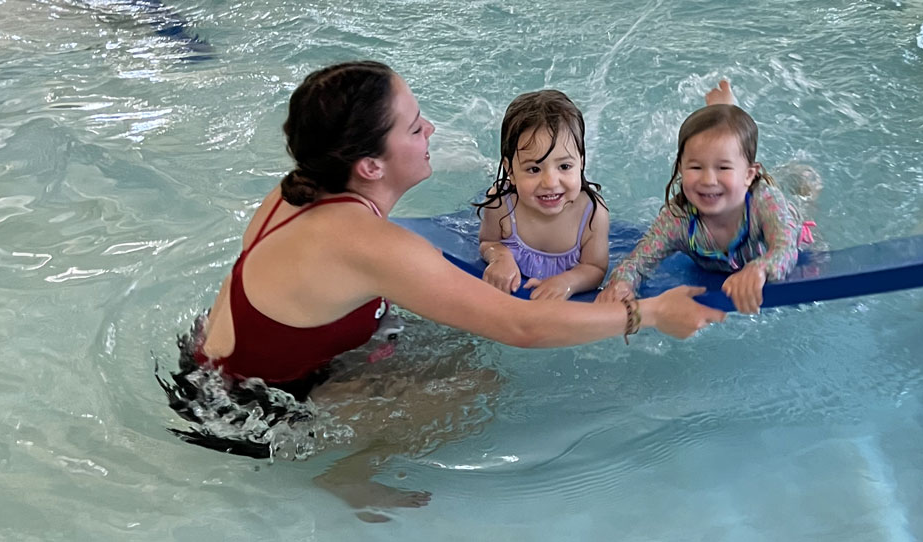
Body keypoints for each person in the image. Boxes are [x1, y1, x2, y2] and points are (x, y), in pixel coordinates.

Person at [174, 59, 723, 429]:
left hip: (205, 364)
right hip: (248, 413)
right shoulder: (372, 245)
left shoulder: (301, 188)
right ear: (369, 166)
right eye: (415, 128)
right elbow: (521, 326)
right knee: (479, 384)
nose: (431, 129)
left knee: (445, 337)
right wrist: (648, 314)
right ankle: (351, 477)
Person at [595, 80, 817, 314]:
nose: (708, 180)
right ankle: (724, 117)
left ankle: (797, 184)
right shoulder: (678, 220)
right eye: (696, 168)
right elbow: (636, 262)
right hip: (738, 187)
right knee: (730, 154)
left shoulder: (765, 203)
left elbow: (784, 249)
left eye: (722, 168)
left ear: (750, 175)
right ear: (680, 168)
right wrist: (621, 283)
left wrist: (760, 268)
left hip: (783, 222)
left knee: (799, 210)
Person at [475, 90, 609, 300]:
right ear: (510, 171)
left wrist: (567, 282)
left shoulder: (592, 213)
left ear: (581, 162)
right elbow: (487, 242)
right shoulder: (500, 204)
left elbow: (595, 267)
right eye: (534, 169)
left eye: (564, 166)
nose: (550, 183)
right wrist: (499, 256)